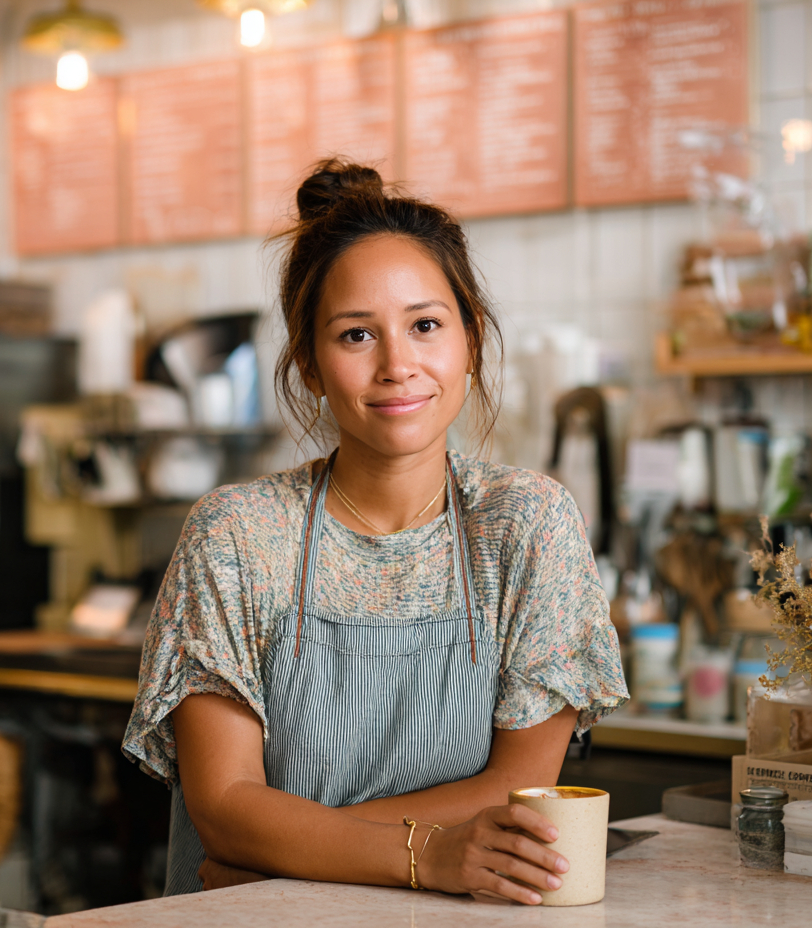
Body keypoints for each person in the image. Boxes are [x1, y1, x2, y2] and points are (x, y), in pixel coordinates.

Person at [122, 159, 628, 903]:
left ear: (471, 343)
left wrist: (284, 853)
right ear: (311, 365)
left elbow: (521, 786)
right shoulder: (236, 537)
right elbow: (226, 807)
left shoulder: (525, 526)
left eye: (426, 326)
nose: (398, 365)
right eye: (357, 335)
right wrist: (429, 854)